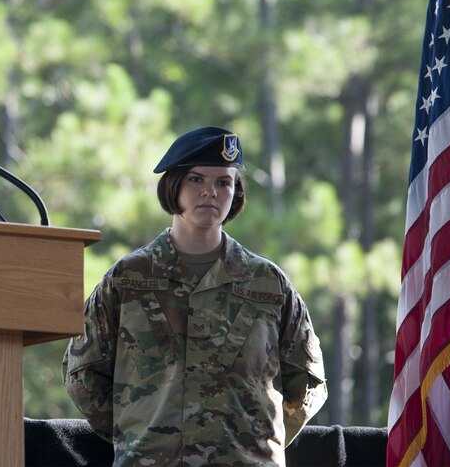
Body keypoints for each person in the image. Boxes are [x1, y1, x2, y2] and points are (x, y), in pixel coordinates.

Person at [62, 126, 327, 466]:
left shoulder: (267, 284)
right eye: (196, 180)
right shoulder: (129, 279)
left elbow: (306, 381)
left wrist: (254, 440)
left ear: (237, 193)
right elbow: (83, 374)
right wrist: (140, 435)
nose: (210, 193)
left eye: (223, 183)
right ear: (173, 186)